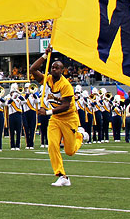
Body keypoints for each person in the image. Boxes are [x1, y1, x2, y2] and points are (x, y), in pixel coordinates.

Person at [29, 46, 87, 187]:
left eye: (57, 68)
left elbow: (66, 106)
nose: (53, 69)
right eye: (53, 67)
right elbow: (32, 70)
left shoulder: (66, 85)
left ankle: (81, 136)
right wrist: (45, 55)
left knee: (70, 151)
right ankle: (62, 175)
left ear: (62, 70)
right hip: (55, 119)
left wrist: (47, 112)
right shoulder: (47, 79)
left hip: (68, 118)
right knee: (53, 145)